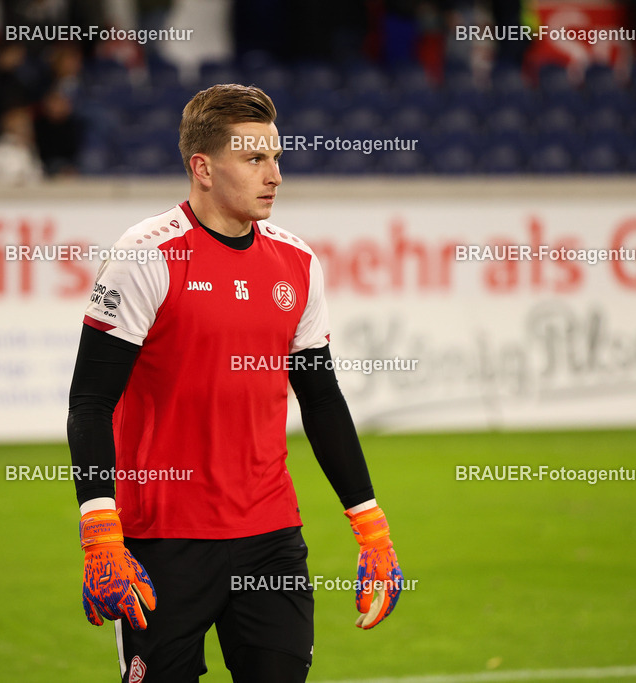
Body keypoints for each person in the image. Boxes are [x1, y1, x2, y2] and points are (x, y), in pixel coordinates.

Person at [67, 83, 403, 683]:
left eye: (276, 157)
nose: (274, 174)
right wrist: (99, 530)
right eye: (254, 159)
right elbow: (90, 402)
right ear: (202, 167)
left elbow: (320, 397)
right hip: (163, 539)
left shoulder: (297, 262)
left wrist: (369, 522)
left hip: (270, 534)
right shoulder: (147, 255)